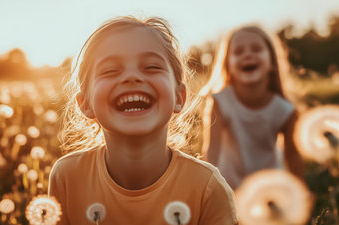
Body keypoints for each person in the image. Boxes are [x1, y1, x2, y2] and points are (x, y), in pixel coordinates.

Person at [48, 16, 238, 225]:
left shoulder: (207, 187)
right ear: (85, 103)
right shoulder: (67, 177)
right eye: (110, 70)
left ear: (179, 97)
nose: (131, 76)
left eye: (151, 67)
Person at [200, 25, 305, 190]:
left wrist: (299, 192)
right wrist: (208, 189)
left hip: (270, 190)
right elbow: (212, 149)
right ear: (228, 66)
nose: (247, 55)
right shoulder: (220, 102)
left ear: (272, 62)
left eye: (256, 49)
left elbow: (293, 156)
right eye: (238, 52)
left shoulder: (285, 110)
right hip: (228, 185)